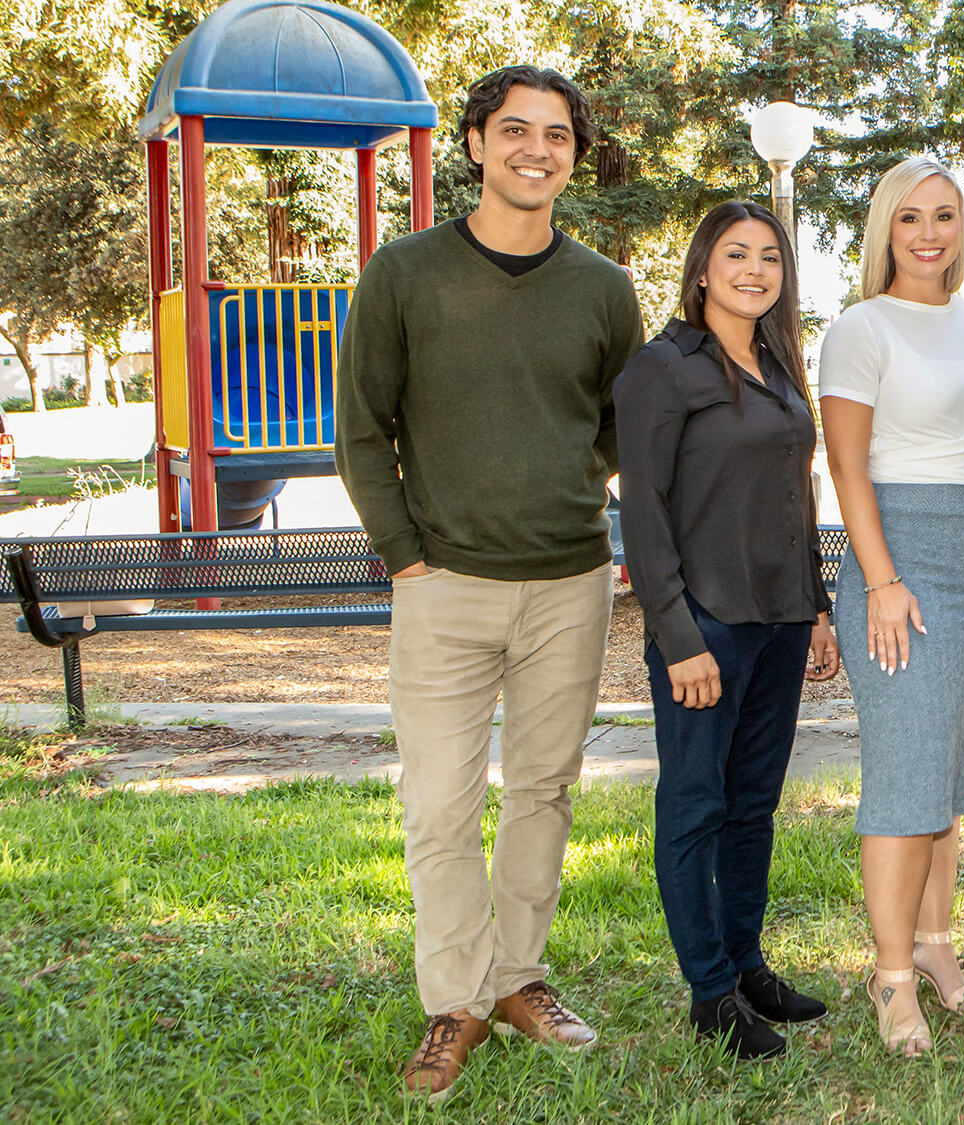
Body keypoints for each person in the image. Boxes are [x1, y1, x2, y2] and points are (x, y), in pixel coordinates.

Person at [334, 65, 644, 1099]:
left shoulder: (602, 288)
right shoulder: (404, 273)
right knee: (438, 803)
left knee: (543, 793)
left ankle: (519, 979)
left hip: (569, 582)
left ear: (572, 156)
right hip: (443, 583)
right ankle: (455, 1002)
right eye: (515, 131)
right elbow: (360, 429)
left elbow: (618, 424)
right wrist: (404, 552)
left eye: (556, 136)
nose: (536, 151)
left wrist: (562, 490)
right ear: (475, 143)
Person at [614, 200, 839, 1061]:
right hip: (704, 623)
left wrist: (815, 605)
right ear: (702, 267)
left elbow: (797, 491)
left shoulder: (783, 365)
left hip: (781, 622)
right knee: (695, 805)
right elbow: (644, 515)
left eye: (770, 258)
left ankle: (747, 966)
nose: (754, 269)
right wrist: (678, 637)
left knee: (753, 805)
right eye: (736, 254)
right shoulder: (661, 371)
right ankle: (709, 991)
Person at [819, 156, 964, 1056]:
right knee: (905, 781)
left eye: (944, 216)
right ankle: (891, 975)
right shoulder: (861, 328)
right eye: (910, 218)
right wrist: (885, 580)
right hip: (895, 563)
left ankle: (936, 948)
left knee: (946, 778)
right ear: (885, 230)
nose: (929, 233)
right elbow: (846, 468)